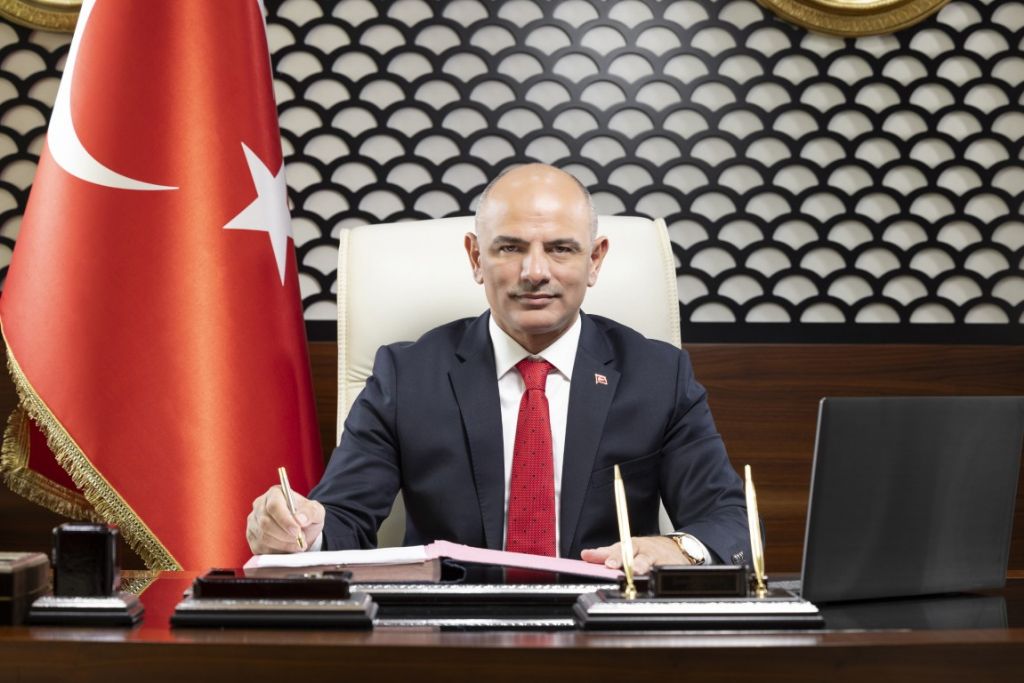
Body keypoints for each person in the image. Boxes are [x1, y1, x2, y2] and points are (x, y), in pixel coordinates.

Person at [246, 163, 750, 573]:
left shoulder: (658, 375)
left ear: (595, 260)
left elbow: (733, 523)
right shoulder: (407, 375)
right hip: (450, 635)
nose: (535, 272)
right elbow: (344, 520)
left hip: (603, 634)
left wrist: (677, 549)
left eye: (561, 249)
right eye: (510, 248)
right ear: (475, 257)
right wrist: (300, 531)